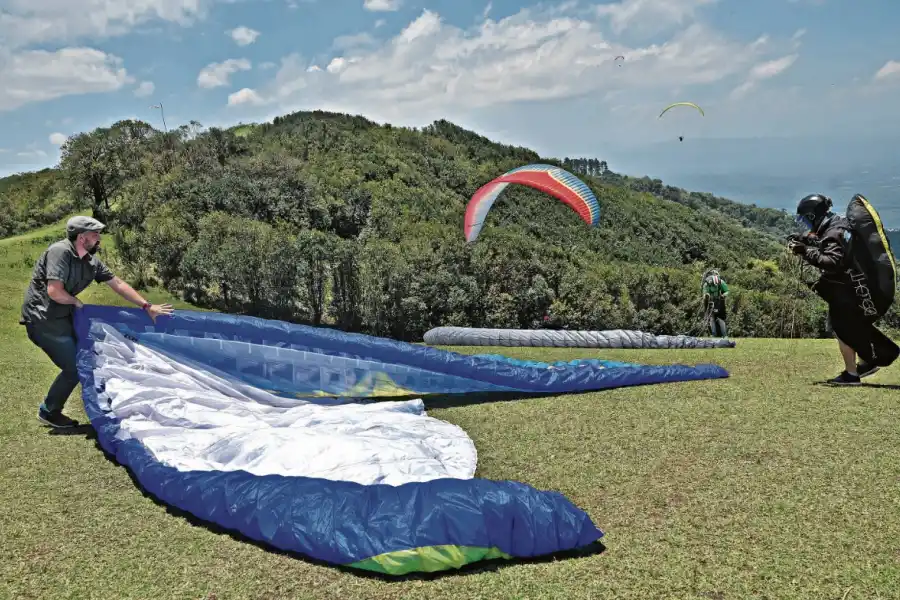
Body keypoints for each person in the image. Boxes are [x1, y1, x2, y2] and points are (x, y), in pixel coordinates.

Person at [20, 216, 175, 428]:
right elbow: (54, 291)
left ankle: (106, 404)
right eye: (95, 235)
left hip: (63, 317)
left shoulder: (91, 262)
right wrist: (75, 301)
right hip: (42, 319)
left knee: (88, 357)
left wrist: (147, 306)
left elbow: (117, 283)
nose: (99, 239)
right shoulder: (60, 252)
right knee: (75, 366)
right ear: (82, 238)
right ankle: (49, 411)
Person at [789, 194, 899, 385]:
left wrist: (805, 251)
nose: (806, 224)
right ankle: (867, 362)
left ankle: (851, 374)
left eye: (806, 219)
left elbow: (832, 261)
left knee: (842, 327)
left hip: (856, 293)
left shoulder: (833, 232)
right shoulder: (837, 225)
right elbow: (828, 244)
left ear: (814, 216)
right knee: (851, 325)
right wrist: (804, 241)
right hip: (865, 289)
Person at [702, 270, 729, 337]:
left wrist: (724, 295)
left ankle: (724, 334)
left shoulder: (721, 282)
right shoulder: (707, 283)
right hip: (709, 301)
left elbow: (727, 291)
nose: (715, 286)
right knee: (711, 318)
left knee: (721, 318)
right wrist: (707, 295)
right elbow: (705, 293)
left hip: (719, 301)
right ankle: (713, 334)